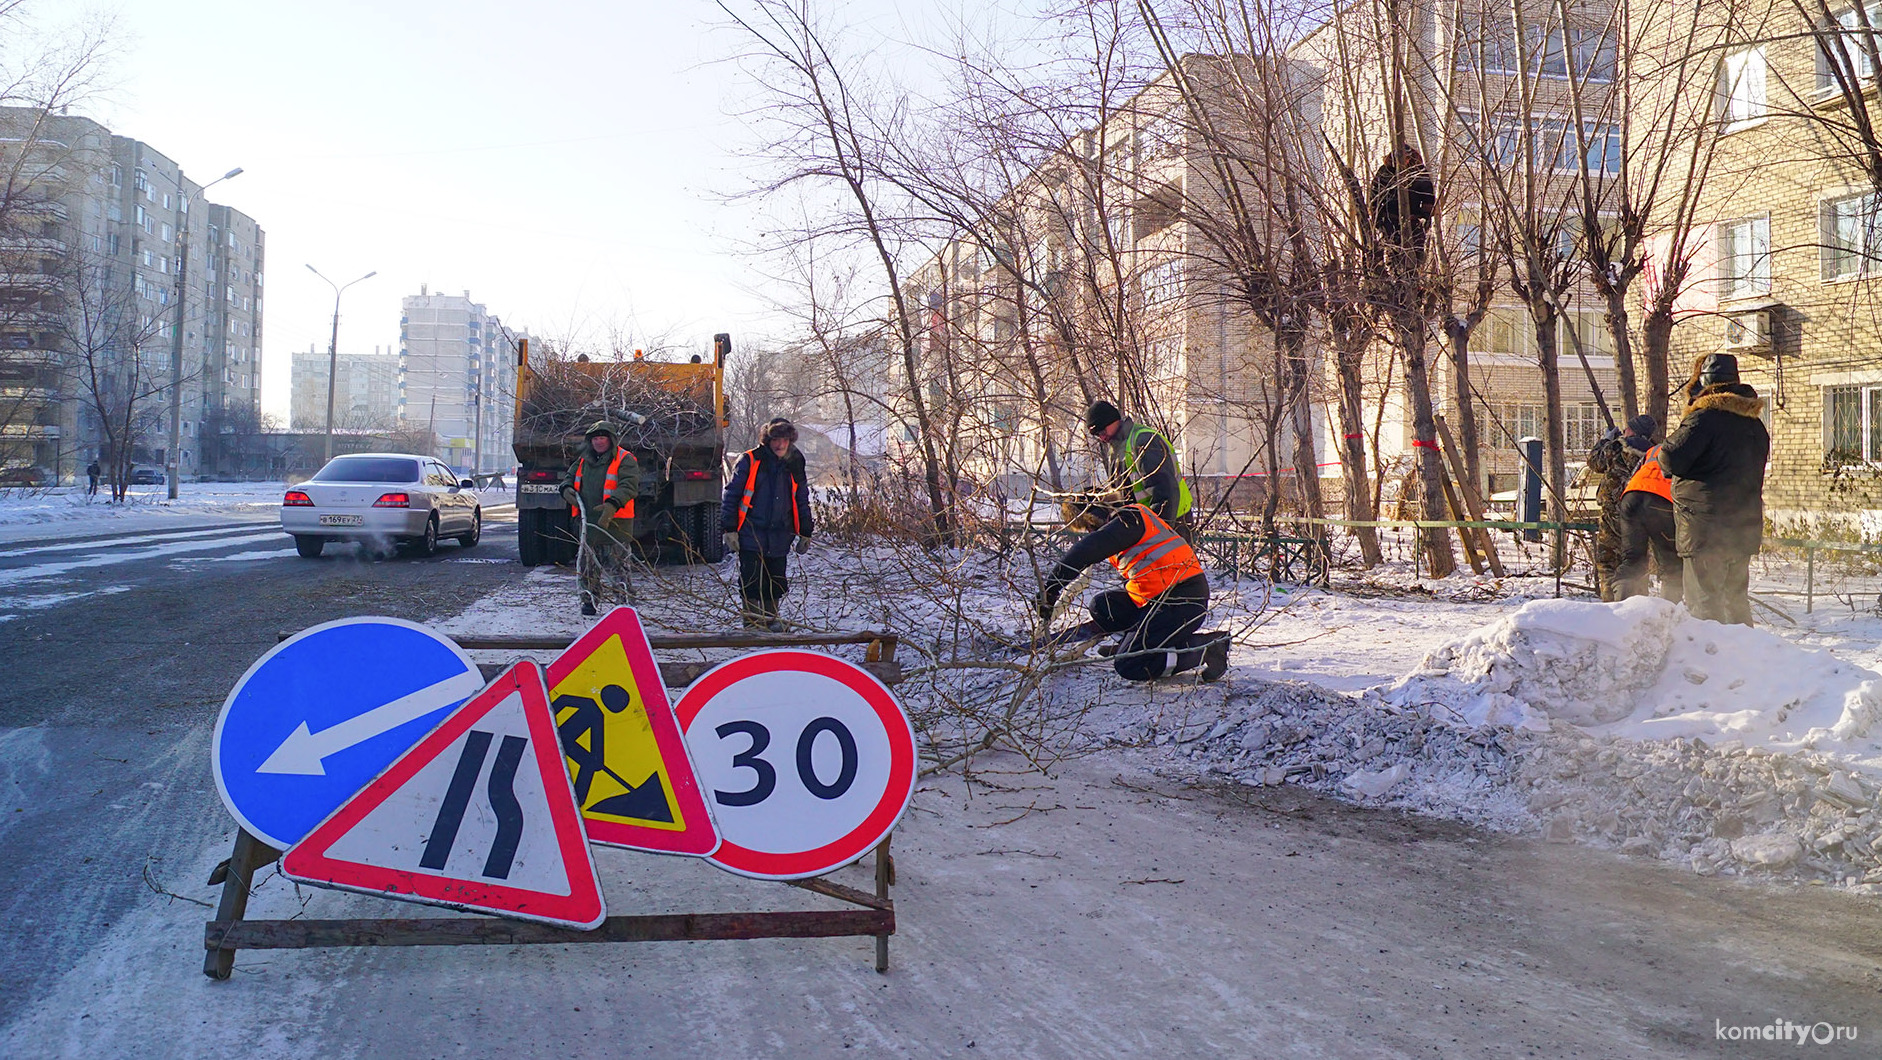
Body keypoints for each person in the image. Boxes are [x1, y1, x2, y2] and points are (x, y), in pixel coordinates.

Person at [1033, 496, 1229, 683]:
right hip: (1162, 598)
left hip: (1182, 601)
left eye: (1087, 527)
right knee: (1103, 607)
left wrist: (1051, 588)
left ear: (1092, 518)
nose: (1090, 532)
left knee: (1130, 664)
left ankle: (1206, 649)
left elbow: (1087, 550)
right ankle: (1133, 643)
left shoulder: (1129, 521)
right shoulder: (1133, 519)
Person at [1658, 353, 1770, 626]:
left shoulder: (1704, 419)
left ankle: (1712, 661)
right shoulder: (1754, 425)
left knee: (1704, 603)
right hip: (1742, 527)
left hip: (1706, 529)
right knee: (1735, 600)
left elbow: (1670, 457)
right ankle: (1746, 659)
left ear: (1704, 384)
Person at [721, 418, 814, 631]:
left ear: (790, 440)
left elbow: (801, 498)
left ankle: (771, 620)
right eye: (775, 440)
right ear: (768, 440)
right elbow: (732, 495)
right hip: (751, 532)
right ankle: (752, 622)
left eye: (784, 440)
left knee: (776, 579)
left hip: (781, 534)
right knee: (751, 579)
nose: (780, 444)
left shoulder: (795, 462)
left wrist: (805, 531)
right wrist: (730, 529)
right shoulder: (751, 460)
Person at [559, 420, 640, 617]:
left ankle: (624, 605)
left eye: (602, 437)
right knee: (588, 567)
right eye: (595, 438)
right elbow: (568, 479)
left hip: (616, 523)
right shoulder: (583, 460)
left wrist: (612, 506)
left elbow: (629, 486)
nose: (599, 441)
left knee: (619, 567)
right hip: (589, 523)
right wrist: (566, 490)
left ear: (611, 440)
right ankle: (589, 601)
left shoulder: (625, 459)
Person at [1086, 400, 1194, 537]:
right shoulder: (1117, 449)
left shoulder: (1143, 441)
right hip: (1146, 525)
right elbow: (1123, 494)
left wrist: (1158, 533)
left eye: (1102, 430)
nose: (1101, 437)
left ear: (1114, 420)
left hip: (1172, 523)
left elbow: (1164, 492)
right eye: (1096, 435)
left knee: (1173, 559)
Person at [1615, 414, 1683, 604]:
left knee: (1632, 559)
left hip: (1631, 498)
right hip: (1661, 502)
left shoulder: (1653, 450)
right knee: (1671, 563)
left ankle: (1621, 609)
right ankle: (1668, 614)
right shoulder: (1685, 452)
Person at [1584, 416, 1649, 601]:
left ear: (1633, 431)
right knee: (1636, 562)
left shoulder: (1617, 446)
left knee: (1607, 561)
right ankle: (1638, 603)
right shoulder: (1654, 451)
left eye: (1628, 428)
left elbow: (1595, 462)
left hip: (1613, 512)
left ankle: (1610, 604)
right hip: (1642, 515)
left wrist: (1606, 440)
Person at [1370, 143, 1436, 267]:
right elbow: (1374, 199)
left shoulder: (1419, 171)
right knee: (1393, 258)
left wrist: (1424, 217)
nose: (1403, 162)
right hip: (1390, 222)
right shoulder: (1385, 172)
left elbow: (1428, 198)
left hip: (1413, 222)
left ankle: (1413, 283)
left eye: (1406, 159)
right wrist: (1378, 222)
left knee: (1415, 259)